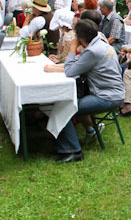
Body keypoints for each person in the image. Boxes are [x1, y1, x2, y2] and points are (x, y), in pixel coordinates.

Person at [48, 19, 124, 163]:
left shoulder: (93, 51)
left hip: (106, 97)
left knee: (64, 108)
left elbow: (70, 71)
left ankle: (72, 151)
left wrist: (72, 48)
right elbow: (79, 64)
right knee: (71, 102)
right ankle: (87, 132)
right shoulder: (102, 44)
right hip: (115, 93)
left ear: (80, 38)